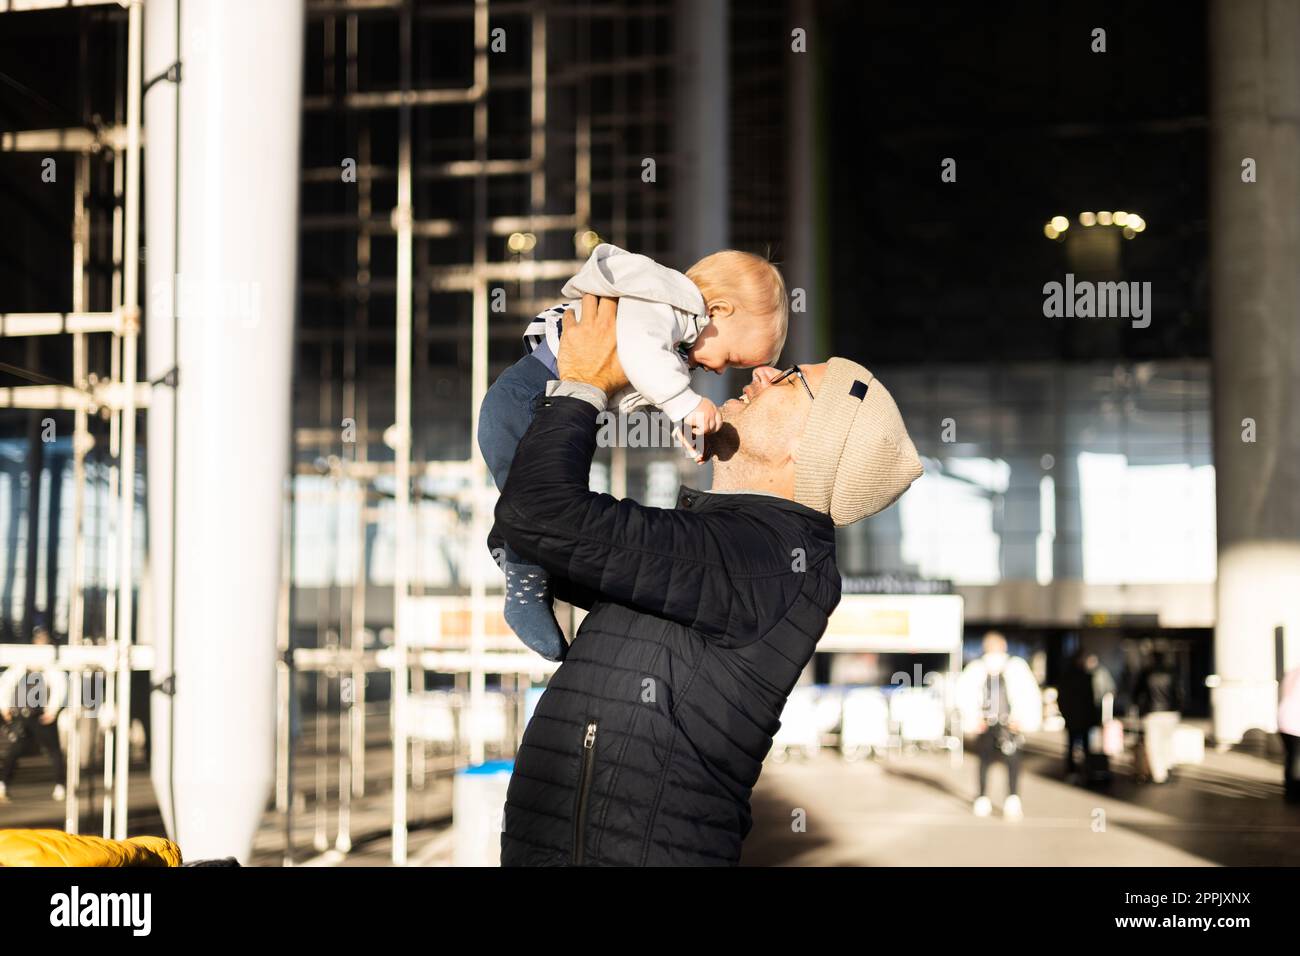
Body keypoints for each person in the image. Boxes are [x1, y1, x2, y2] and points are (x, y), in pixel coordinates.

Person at [492, 294, 923, 865]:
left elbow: (540, 515)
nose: (763, 372)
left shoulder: (766, 557)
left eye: (791, 380)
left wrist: (583, 386)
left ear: (812, 446)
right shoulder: (732, 546)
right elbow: (539, 533)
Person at [478, 244, 789, 663]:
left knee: (542, 500)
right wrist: (684, 404)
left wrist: (683, 421)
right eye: (730, 359)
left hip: (542, 400)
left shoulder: (677, 334)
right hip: (525, 399)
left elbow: (640, 380)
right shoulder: (668, 302)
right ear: (717, 310)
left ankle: (522, 564)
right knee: (536, 502)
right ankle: (525, 585)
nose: (718, 371)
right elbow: (642, 354)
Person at [957, 632, 1042, 820]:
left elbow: (1027, 695)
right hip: (987, 724)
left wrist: (1021, 718)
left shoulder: (1016, 667)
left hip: (1009, 724)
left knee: (1008, 761)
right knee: (987, 761)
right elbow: (964, 696)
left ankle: (1009, 799)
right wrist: (973, 718)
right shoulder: (977, 668)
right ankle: (984, 797)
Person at [0, 626, 68, 803]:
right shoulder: (23, 663)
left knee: (54, 751)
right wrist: (5, 707)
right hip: (24, 715)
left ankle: (61, 785)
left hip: (43, 715)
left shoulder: (50, 666)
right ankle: (3, 783)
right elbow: (7, 683)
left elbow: (60, 686)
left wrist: (52, 710)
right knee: (16, 750)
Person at [1057, 650, 1116, 783]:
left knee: (1074, 746)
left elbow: (1064, 699)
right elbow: (1089, 700)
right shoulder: (1084, 677)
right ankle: (1084, 771)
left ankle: (1076, 771)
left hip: (1074, 718)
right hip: (1081, 718)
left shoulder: (1071, 677)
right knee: (1084, 746)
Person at [1133, 649, 1183, 784]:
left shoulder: (1146, 673)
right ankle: (1168, 767)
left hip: (1152, 713)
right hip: (1171, 712)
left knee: (1154, 744)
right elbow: (1179, 693)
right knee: (1167, 741)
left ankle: (1159, 775)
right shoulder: (1172, 672)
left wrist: (1138, 708)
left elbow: (1137, 693)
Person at [1277, 664, 1300, 803]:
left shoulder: (1294, 671)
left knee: (1291, 757)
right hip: (1295, 722)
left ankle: (1290, 792)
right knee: (1296, 759)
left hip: (1284, 719)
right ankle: (1294, 795)